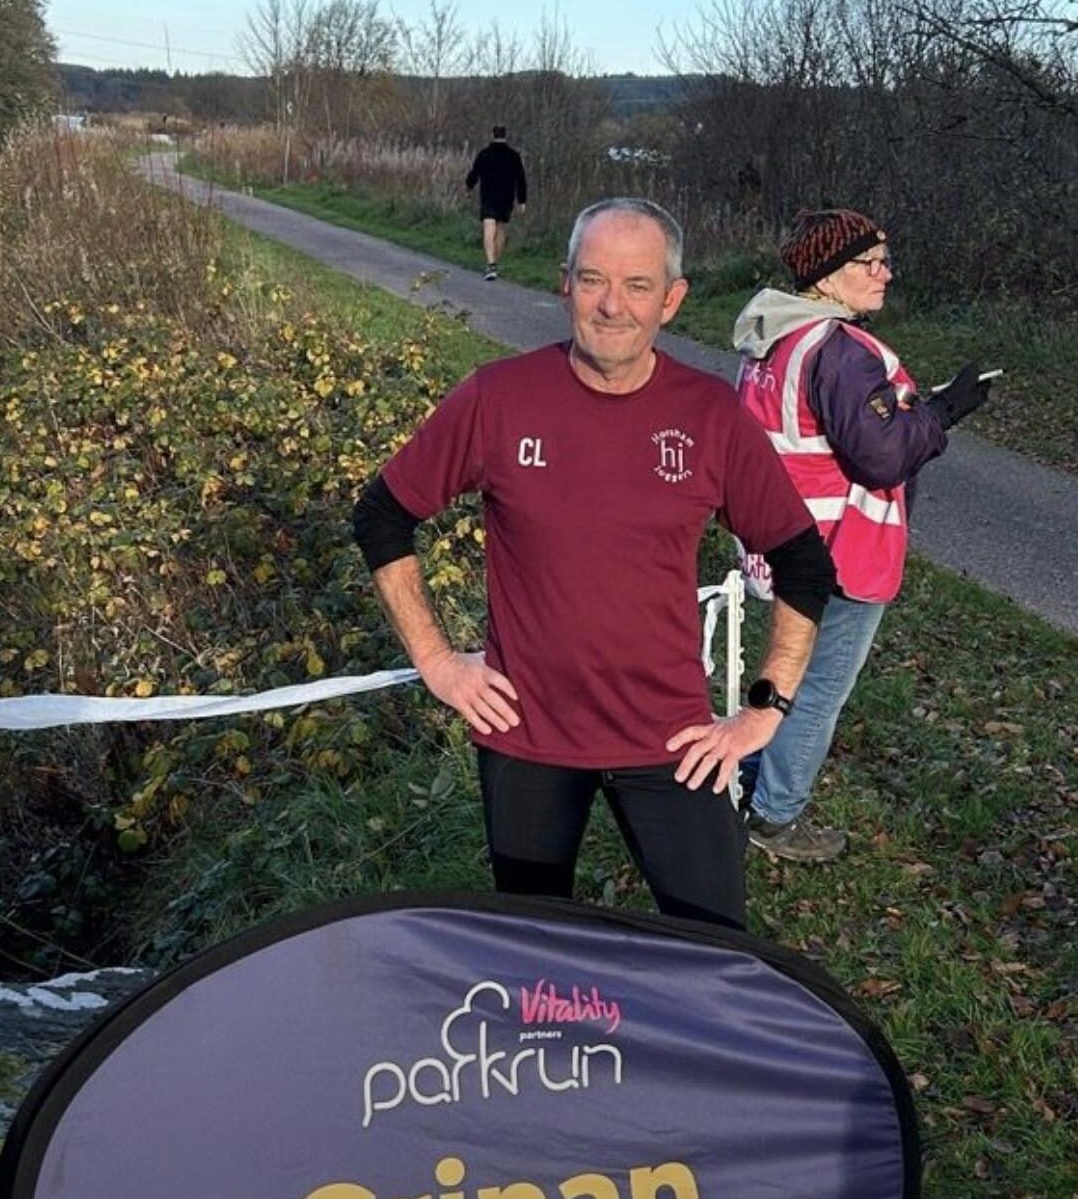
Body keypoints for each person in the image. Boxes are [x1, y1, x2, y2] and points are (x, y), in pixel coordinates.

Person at [353, 198, 835, 930]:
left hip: (673, 739)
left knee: (718, 952)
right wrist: (437, 661)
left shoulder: (708, 416)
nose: (613, 306)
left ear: (671, 300)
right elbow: (382, 515)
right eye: (592, 280)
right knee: (537, 952)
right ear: (563, 285)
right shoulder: (498, 398)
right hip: (528, 734)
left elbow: (803, 563)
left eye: (638, 285)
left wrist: (765, 709)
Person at [733, 207, 993, 862]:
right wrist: (943, 412)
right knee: (818, 686)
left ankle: (749, 784)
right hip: (842, 548)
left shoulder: (772, 338)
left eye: (884, 260)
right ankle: (775, 816)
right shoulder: (841, 352)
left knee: (784, 670)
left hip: (786, 541)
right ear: (825, 276)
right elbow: (880, 457)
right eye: (869, 263)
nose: (886, 274)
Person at [465, 125, 527, 280]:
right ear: (506, 136)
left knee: (488, 227)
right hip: (506, 198)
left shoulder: (484, 154)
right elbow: (521, 179)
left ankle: (490, 263)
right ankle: (493, 264)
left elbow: (474, 173)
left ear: (492, 135)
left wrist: (469, 186)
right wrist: (522, 200)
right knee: (500, 229)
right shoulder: (514, 156)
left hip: (488, 196)